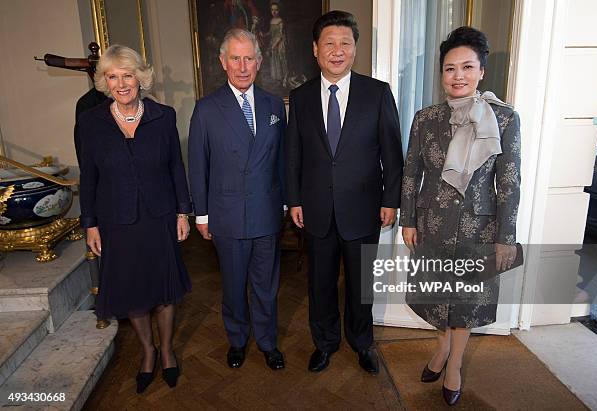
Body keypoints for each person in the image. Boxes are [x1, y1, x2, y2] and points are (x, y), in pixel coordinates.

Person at [399, 27, 521, 406]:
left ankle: (454, 365)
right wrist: (408, 220)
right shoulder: (426, 118)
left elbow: (510, 183)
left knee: (464, 302)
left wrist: (506, 236)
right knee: (438, 298)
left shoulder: (504, 119)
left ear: (481, 71)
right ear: (442, 74)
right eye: (450, 68)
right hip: (432, 224)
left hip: (479, 230)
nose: (458, 76)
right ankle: (440, 351)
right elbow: (410, 173)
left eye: (467, 67)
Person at [285, 10, 404, 374]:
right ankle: (324, 343)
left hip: (364, 209)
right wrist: (294, 199)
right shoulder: (301, 97)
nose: (337, 51)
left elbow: (393, 155)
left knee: (361, 285)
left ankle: (362, 342)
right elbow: (293, 154)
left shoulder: (378, 93)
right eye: (329, 43)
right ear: (315, 50)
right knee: (319, 284)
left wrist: (390, 200)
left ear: (354, 49)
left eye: (345, 44)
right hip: (316, 210)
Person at [77, 45, 192, 394]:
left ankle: (168, 350)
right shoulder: (90, 123)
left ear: (140, 77)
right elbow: (89, 177)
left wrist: (182, 211)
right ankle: (148, 351)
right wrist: (90, 223)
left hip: (158, 218)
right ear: (104, 81)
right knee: (134, 294)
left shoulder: (163, 116)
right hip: (117, 222)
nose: (121, 83)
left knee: (163, 292)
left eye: (127, 75)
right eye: (113, 76)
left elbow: (176, 166)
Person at [188, 28, 287, 371]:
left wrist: (286, 202)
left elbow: (282, 160)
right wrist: (201, 215)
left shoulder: (275, 105)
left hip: (266, 211)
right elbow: (197, 167)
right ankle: (237, 340)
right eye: (235, 58)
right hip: (226, 214)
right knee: (232, 285)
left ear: (259, 62)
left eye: (249, 58)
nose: (242, 66)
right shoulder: (206, 109)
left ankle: (268, 342)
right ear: (223, 62)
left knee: (266, 285)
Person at [265, 2, 288, 87]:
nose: (274, 12)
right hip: (273, 42)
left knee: (281, 61)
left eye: (276, 10)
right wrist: (263, 35)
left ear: (279, 11)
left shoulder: (280, 21)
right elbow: (271, 32)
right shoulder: (271, 21)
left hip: (279, 43)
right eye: (272, 10)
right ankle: (277, 79)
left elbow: (280, 35)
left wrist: (274, 45)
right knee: (274, 61)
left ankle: (284, 80)